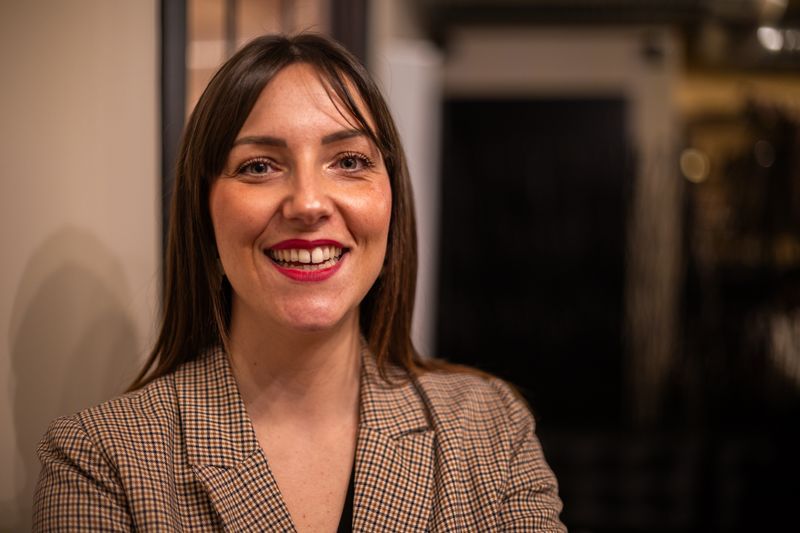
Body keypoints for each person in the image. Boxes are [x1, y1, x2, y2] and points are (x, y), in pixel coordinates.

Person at [33, 33, 565, 531]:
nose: (308, 203)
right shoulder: (100, 459)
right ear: (205, 213)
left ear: (391, 200)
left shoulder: (487, 427)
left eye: (349, 161)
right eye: (260, 166)